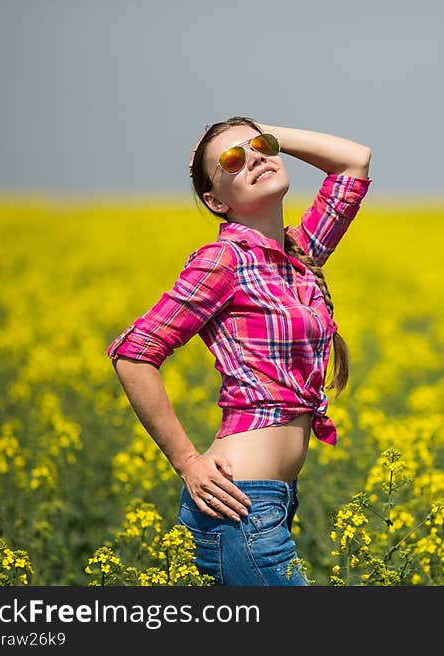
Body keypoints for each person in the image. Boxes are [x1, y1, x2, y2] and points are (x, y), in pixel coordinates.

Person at [106, 116, 372, 585]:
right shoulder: (223, 260)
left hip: (273, 500)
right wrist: (187, 463)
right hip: (240, 505)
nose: (255, 158)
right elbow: (134, 352)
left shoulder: (298, 255)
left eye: (261, 148)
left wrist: (260, 129)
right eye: (233, 160)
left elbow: (354, 161)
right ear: (214, 201)